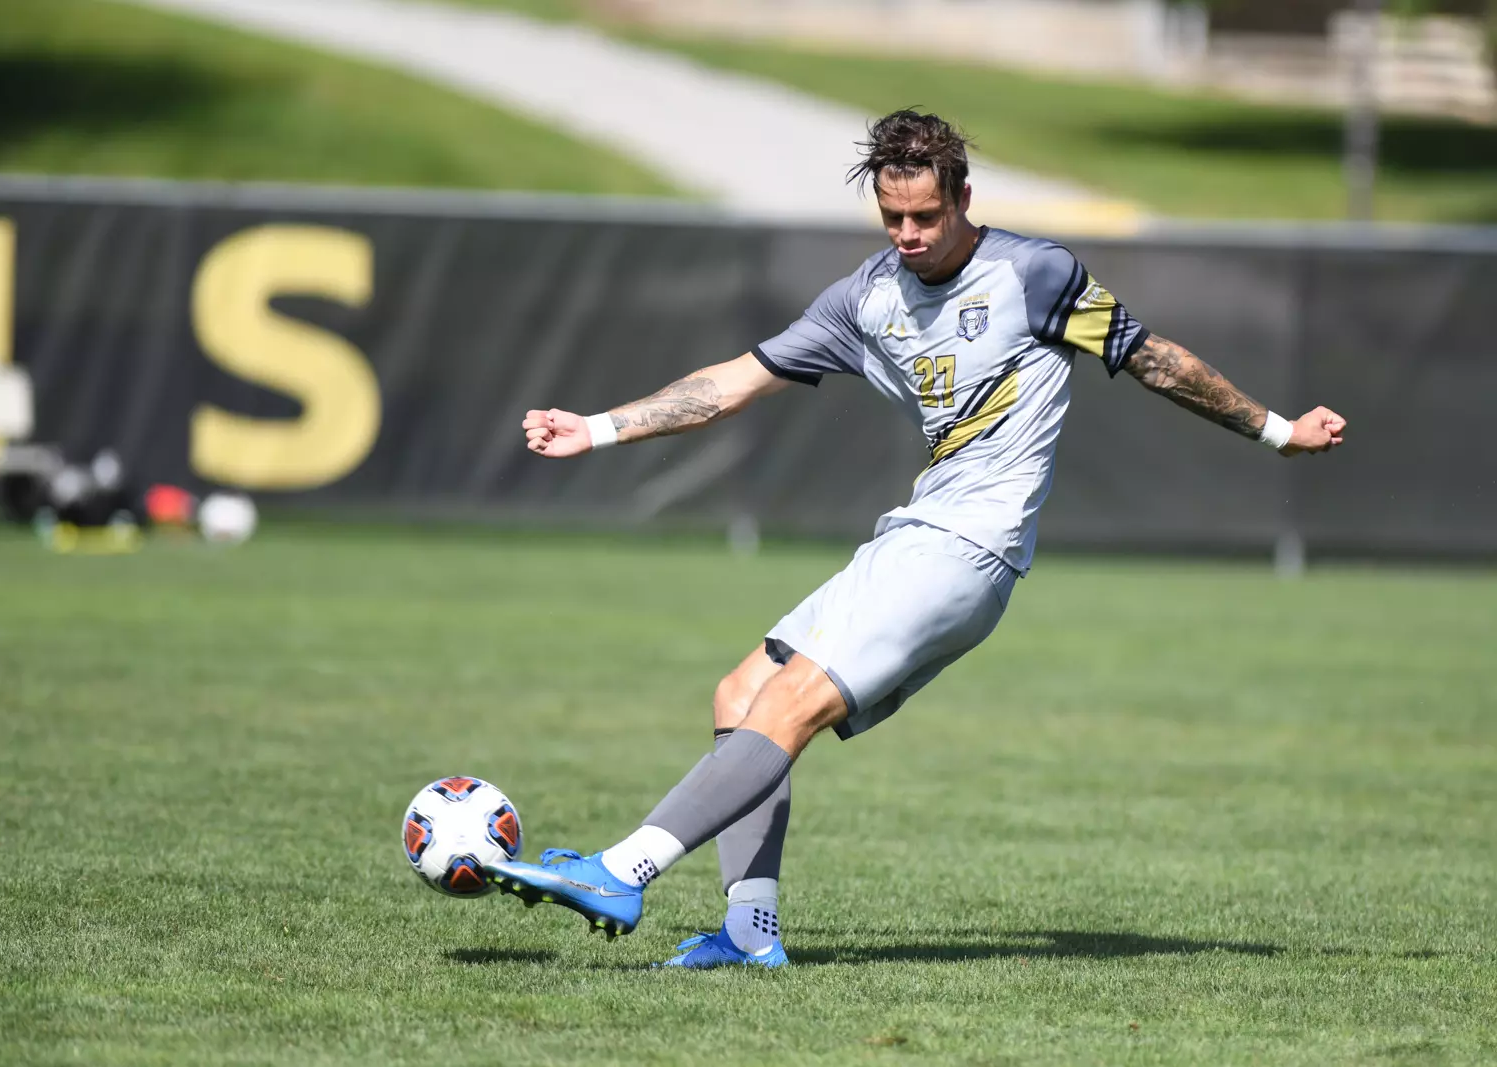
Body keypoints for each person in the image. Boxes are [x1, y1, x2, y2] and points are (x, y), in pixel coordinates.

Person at [489, 109, 1346, 969]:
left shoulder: (1036, 275)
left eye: (925, 217)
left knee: (792, 705)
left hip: (972, 549)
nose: (906, 234)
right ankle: (750, 937)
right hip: (912, 534)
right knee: (742, 694)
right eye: (891, 216)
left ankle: (622, 867)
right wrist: (596, 428)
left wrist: (1278, 430)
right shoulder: (865, 298)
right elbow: (728, 385)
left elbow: (1155, 359)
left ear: (964, 197)